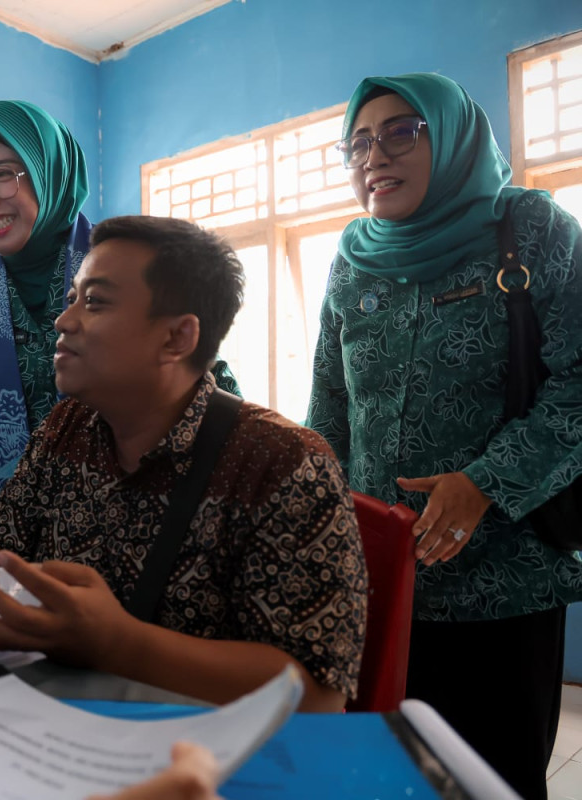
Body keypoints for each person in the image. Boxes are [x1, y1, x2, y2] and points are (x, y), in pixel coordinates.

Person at [0, 215, 367, 713]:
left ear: (177, 339)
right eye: (73, 297)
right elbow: (1, 541)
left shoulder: (286, 465)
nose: (63, 320)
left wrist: (120, 645)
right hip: (66, 726)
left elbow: (317, 694)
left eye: (94, 301)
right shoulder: (67, 428)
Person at [306, 73, 582, 799]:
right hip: (380, 575)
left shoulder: (529, 229)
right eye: (358, 142)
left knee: (494, 775)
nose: (374, 155)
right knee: (387, 768)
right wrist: (316, 521)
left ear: (454, 136)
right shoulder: (351, 255)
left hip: (504, 580)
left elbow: (580, 381)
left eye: (402, 131)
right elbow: (329, 407)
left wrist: (484, 483)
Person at [0, 100, 241, 545]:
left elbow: (204, 399)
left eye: (4, 173)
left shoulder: (129, 270)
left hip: (135, 548)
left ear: (49, 173)